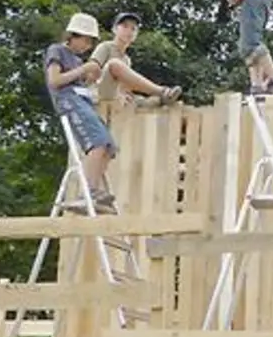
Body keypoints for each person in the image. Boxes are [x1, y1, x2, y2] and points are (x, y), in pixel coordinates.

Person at [44, 12, 116, 214]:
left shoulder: (76, 60)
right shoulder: (57, 50)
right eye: (86, 40)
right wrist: (84, 69)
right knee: (97, 143)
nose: (88, 46)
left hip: (83, 101)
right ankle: (87, 192)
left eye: (91, 42)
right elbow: (54, 81)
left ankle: (94, 191)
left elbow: (81, 83)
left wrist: (91, 77)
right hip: (69, 102)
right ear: (73, 35)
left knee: (109, 146)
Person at [90, 12, 182, 108]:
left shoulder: (126, 59)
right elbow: (90, 73)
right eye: (125, 26)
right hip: (97, 92)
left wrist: (124, 94)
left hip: (116, 96)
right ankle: (162, 91)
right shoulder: (105, 47)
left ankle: (163, 99)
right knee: (115, 64)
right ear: (114, 29)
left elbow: (124, 86)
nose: (129, 31)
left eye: (133, 29)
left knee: (149, 101)